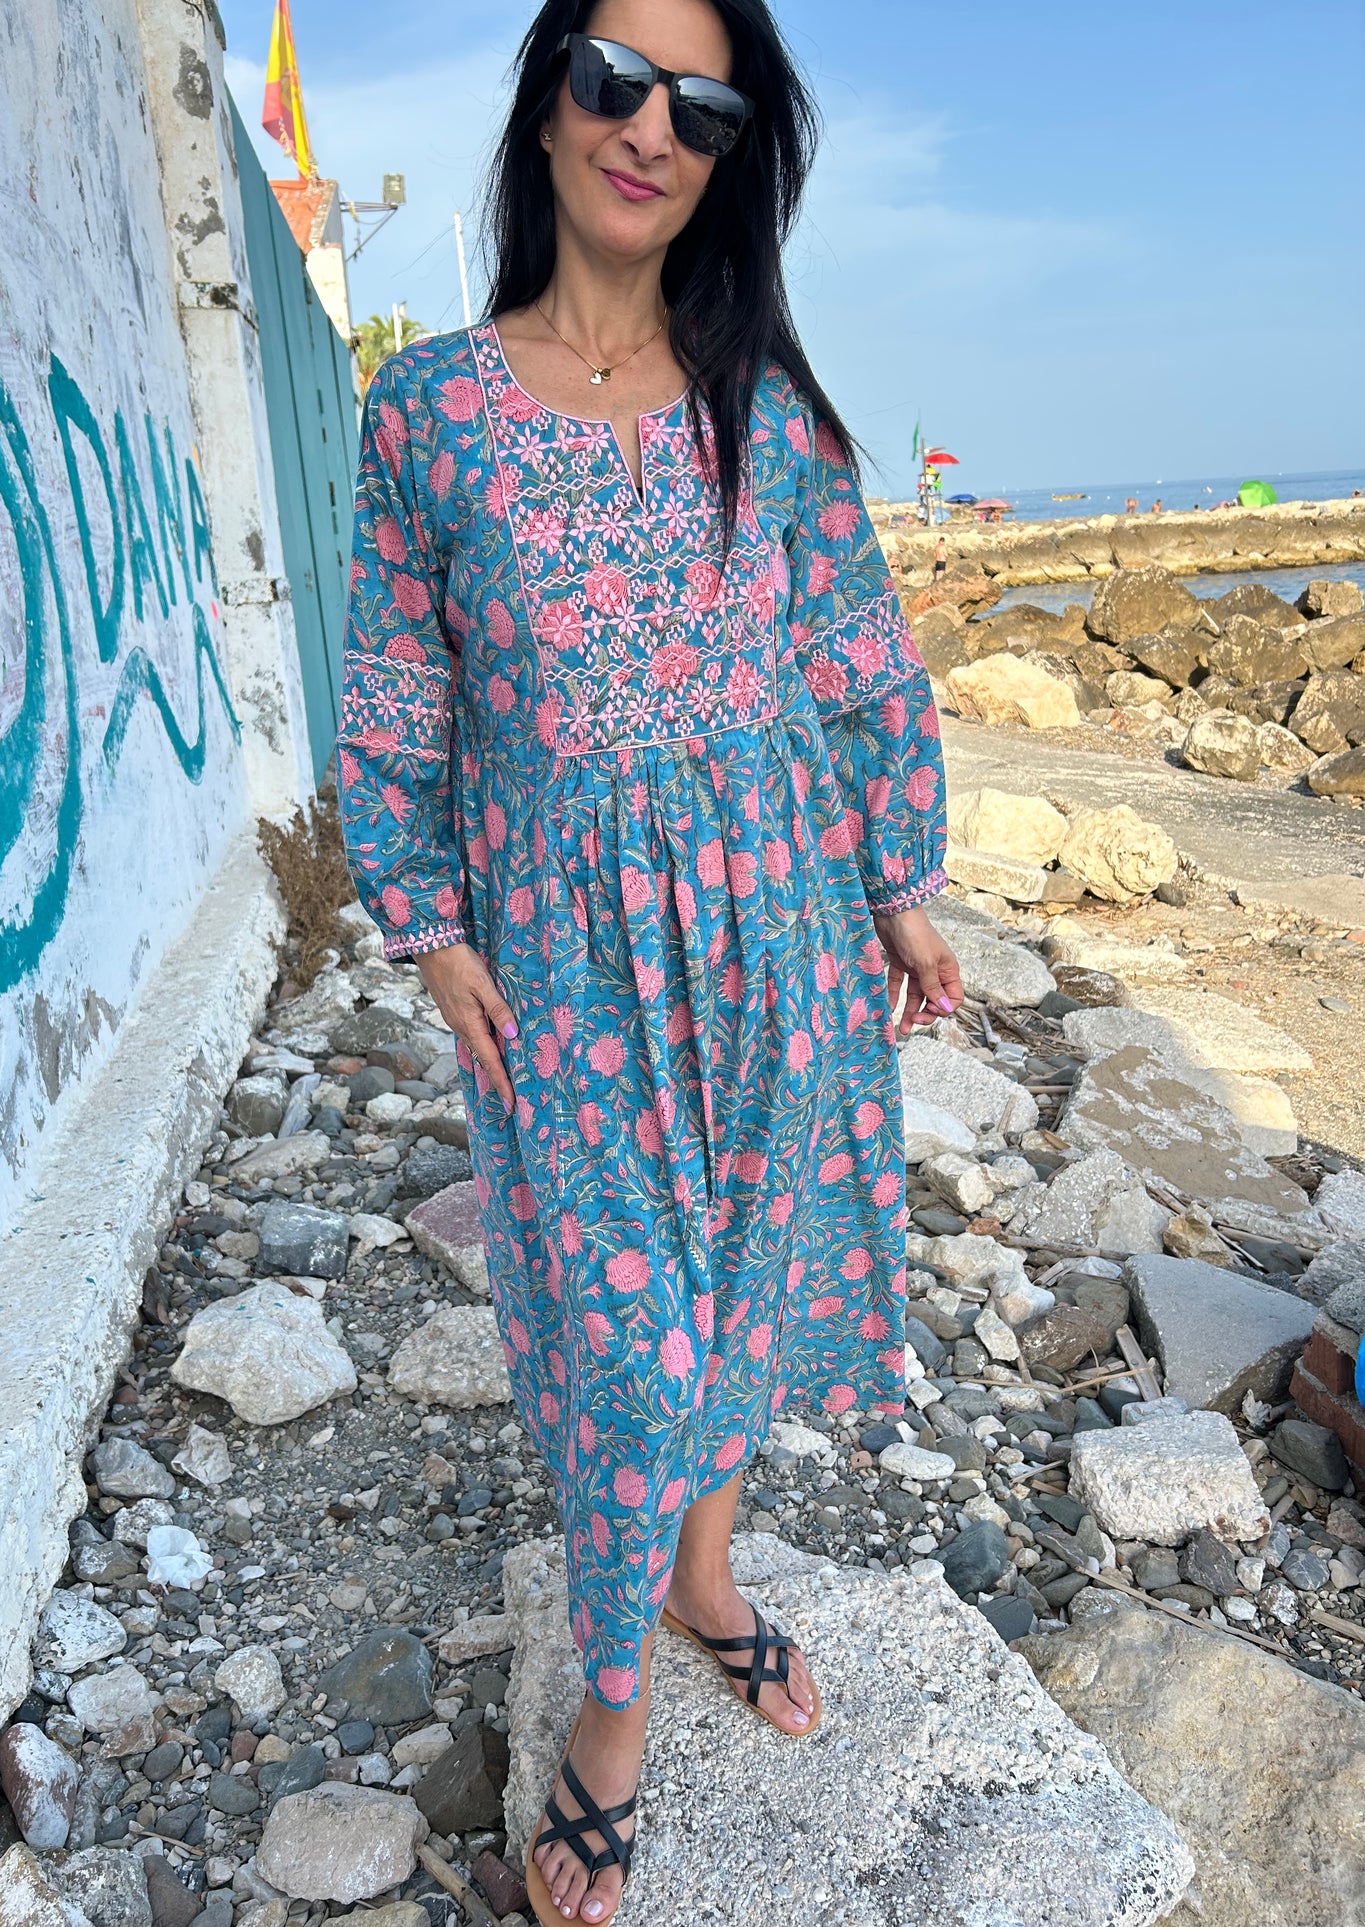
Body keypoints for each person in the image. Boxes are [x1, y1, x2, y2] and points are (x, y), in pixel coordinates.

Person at [335, 5, 962, 1923]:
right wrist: (422, 916)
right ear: (544, 102)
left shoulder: (764, 410)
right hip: (563, 961)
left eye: (702, 106)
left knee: (740, 1294)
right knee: (629, 1347)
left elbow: (852, 656)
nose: (647, 128)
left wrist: (898, 883)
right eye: (612, 76)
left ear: (731, 154)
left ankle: (703, 1580)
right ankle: (611, 1716)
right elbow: (396, 682)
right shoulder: (427, 407)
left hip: (776, 927)